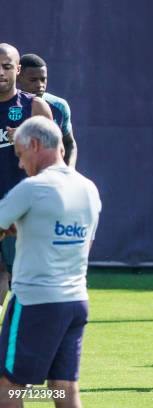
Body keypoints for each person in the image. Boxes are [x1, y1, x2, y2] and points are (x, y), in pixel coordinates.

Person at [0, 116, 101, 408]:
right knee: (63, 390)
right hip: (75, 302)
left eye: (20, 155)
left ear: (34, 145)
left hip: (34, 301)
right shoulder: (88, 188)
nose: (20, 165)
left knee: (9, 388)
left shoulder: (32, 188)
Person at [0, 43, 53, 315]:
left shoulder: (34, 107)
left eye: (7, 67)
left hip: (21, 212)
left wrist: (26, 138)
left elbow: (54, 158)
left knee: (22, 283)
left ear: (17, 70)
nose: (1, 72)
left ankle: (22, 340)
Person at [17, 53, 77, 167]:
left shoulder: (59, 106)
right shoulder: (8, 105)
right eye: (33, 80)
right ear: (18, 77)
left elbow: (69, 143)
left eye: (43, 79)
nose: (40, 85)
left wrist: (69, 172)